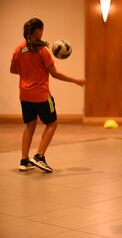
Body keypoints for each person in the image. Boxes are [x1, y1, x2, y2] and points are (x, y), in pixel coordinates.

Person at [10, 18, 85, 172]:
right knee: (52, 123)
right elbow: (55, 74)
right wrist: (76, 80)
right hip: (42, 95)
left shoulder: (18, 49)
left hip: (24, 95)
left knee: (30, 125)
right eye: (42, 30)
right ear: (37, 31)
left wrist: (27, 73)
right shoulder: (43, 51)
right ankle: (39, 156)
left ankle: (24, 161)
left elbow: (13, 70)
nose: (43, 33)